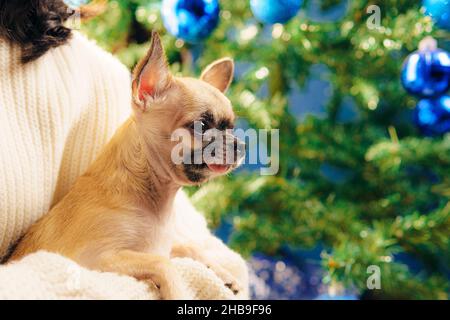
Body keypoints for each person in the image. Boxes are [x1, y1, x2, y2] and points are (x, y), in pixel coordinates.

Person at [0, 0, 248, 299]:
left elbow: (225, 273)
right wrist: (162, 269)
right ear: (146, 90)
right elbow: (99, 258)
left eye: (228, 130)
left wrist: (192, 259)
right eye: (199, 128)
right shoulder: (108, 200)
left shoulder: (90, 70)